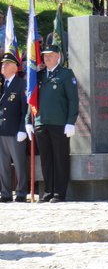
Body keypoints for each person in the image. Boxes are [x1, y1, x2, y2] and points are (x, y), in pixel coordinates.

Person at [25, 45, 79, 203]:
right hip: (41, 123)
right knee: (46, 159)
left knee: (60, 159)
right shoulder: (39, 75)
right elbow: (32, 99)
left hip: (59, 123)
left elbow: (73, 100)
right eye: (44, 55)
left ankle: (59, 193)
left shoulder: (66, 74)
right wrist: (29, 120)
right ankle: (48, 191)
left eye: (50, 55)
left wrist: (71, 122)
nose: (46, 58)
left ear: (58, 57)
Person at [0, 53, 28, 202]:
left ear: (15, 67)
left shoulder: (21, 84)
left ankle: (22, 192)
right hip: (1, 130)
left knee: (19, 163)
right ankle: (5, 193)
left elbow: (25, 109)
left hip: (15, 131)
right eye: (2, 64)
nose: (3, 66)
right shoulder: (1, 84)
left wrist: (23, 129)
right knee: (2, 164)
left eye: (6, 63)